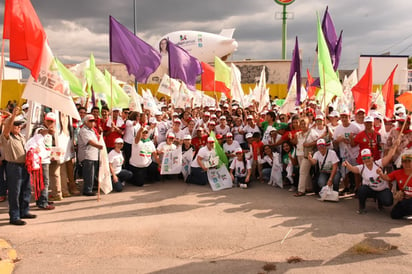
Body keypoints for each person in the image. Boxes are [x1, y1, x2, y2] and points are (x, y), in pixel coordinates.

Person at [1, 107, 36, 225]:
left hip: (24, 165)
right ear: (10, 126)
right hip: (13, 166)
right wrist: (13, 116)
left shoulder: (20, 136)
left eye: (19, 125)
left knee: (26, 190)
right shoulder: (7, 137)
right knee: (14, 192)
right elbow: (6, 129)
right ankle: (14, 216)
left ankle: (24, 211)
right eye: (16, 125)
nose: (19, 127)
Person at [343, 141, 399, 214]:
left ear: (372, 157)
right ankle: (362, 207)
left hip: (382, 189)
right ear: (362, 160)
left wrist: (394, 146)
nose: (367, 159)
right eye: (364, 158)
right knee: (362, 190)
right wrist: (347, 164)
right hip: (370, 190)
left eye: (368, 157)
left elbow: (389, 156)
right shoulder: (362, 168)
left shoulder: (378, 164)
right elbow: (353, 169)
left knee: (388, 202)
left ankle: (380, 201)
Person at [25, 112, 56, 209]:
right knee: (43, 182)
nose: (50, 123)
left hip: (46, 159)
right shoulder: (39, 129)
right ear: (44, 120)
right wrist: (48, 131)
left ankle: (43, 199)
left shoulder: (50, 132)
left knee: (42, 182)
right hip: (40, 160)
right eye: (48, 121)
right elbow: (41, 132)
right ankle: (43, 202)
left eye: (52, 121)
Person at [378, 150, 412, 219]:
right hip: (404, 199)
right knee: (394, 215)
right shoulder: (397, 172)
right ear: (402, 163)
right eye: (405, 162)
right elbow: (387, 177)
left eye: (409, 161)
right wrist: (380, 173)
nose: (407, 164)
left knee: (407, 203)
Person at [77, 114, 104, 196]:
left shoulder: (92, 130)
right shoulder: (83, 130)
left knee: (93, 173)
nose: (92, 123)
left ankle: (91, 186)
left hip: (93, 154)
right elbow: (89, 141)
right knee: (89, 173)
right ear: (85, 122)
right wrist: (99, 146)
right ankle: (87, 190)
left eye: (93, 121)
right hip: (87, 155)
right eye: (90, 121)